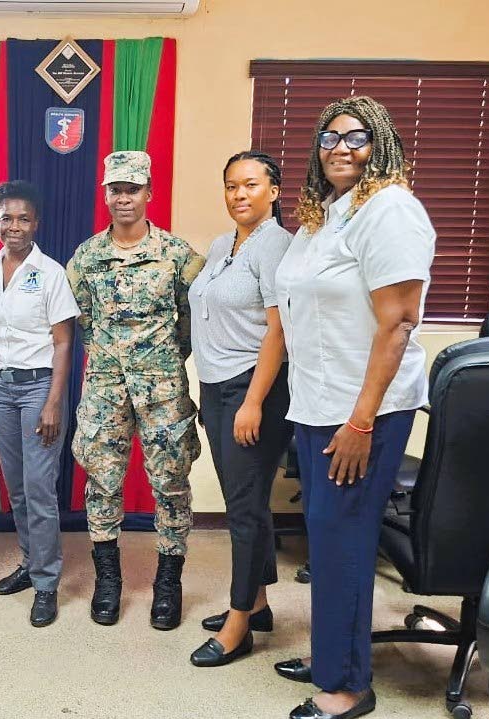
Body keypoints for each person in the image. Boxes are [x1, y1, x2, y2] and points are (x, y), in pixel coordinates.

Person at [273, 96, 436, 719]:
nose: (340, 147)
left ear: (383, 143)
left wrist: (362, 420)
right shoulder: (328, 216)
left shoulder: (391, 210)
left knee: (342, 536)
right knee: (328, 533)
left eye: (356, 136)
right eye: (329, 136)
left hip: (362, 410)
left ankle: (347, 686)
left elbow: (397, 324)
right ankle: (332, 654)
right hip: (317, 406)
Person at [66, 151, 204, 630]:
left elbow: (191, 321)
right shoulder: (85, 257)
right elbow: (84, 318)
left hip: (163, 387)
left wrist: (159, 362)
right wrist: (115, 359)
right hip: (105, 388)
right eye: (115, 189)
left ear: (149, 193)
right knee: (102, 482)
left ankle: (168, 582)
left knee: (170, 483)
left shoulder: (179, 256)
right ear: (105, 195)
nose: (123, 197)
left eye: (132, 188)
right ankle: (109, 580)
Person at [187, 151, 293, 668]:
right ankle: (259, 602)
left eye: (250, 185)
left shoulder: (277, 246)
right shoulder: (222, 244)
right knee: (244, 501)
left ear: (273, 190)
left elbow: (279, 329)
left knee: (245, 511)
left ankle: (238, 625)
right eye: (231, 186)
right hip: (217, 388)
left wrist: (253, 401)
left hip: (252, 390)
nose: (239, 195)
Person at [0, 180, 79, 628]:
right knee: (15, 486)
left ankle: (46, 583)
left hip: (39, 388)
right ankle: (28, 561)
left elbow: (63, 342)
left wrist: (55, 402)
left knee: (39, 487)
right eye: (6, 218)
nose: (14, 226)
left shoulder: (51, 273)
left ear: (36, 223)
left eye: (23, 218)